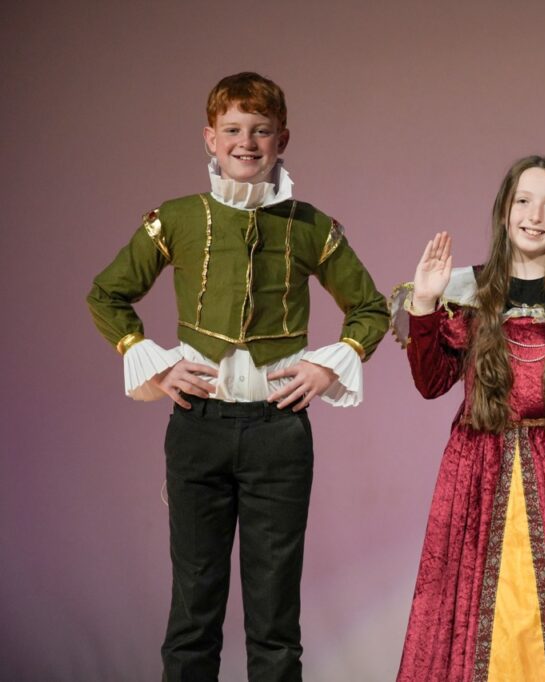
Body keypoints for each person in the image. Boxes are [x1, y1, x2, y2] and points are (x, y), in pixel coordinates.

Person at [86, 72, 389, 681]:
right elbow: (107, 295)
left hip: (279, 434)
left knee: (275, 616)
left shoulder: (311, 226)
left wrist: (325, 366)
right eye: (232, 130)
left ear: (282, 140)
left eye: (260, 131)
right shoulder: (177, 218)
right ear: (210, 138)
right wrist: (156, 362)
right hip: (198, 429)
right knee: (193, 610)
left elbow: (371, 309)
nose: (245, 142)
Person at [391, 155, 545, 681]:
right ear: (504, 210)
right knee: (476, 623)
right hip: (477, 476)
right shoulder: (470, 295)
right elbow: (431, 383)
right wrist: (426, 304)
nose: (535, 216)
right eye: (524, 201)